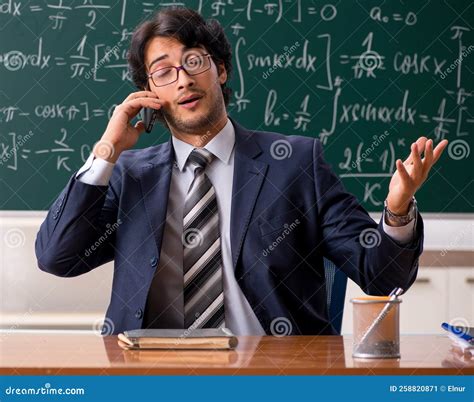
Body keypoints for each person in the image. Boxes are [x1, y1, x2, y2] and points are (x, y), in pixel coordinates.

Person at [35, 7, 448, 335]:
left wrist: (396, 210)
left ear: (221, 70)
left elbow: (381, 278)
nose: (182, 79)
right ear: (149, 93)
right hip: (150, 377)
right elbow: (57, 257)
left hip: (272, 376)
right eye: (163, 71)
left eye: (194, 61)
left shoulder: (296, 163)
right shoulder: (130, 175)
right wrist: (106, 152)